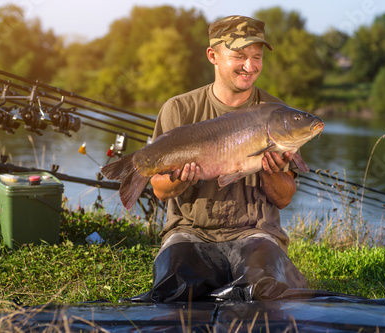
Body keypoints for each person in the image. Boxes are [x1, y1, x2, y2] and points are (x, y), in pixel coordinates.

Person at [127, 15, 309, 303]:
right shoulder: (179, 110)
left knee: (260, 292)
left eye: (257, 57)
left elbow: (285, 198)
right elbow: (161, 191)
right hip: (190, 233)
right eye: (239, 56)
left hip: (256, 234)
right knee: (176, 289)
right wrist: (178, 180)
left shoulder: (278, 116)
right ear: (213, 55)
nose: (250, 67)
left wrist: (270, 171)